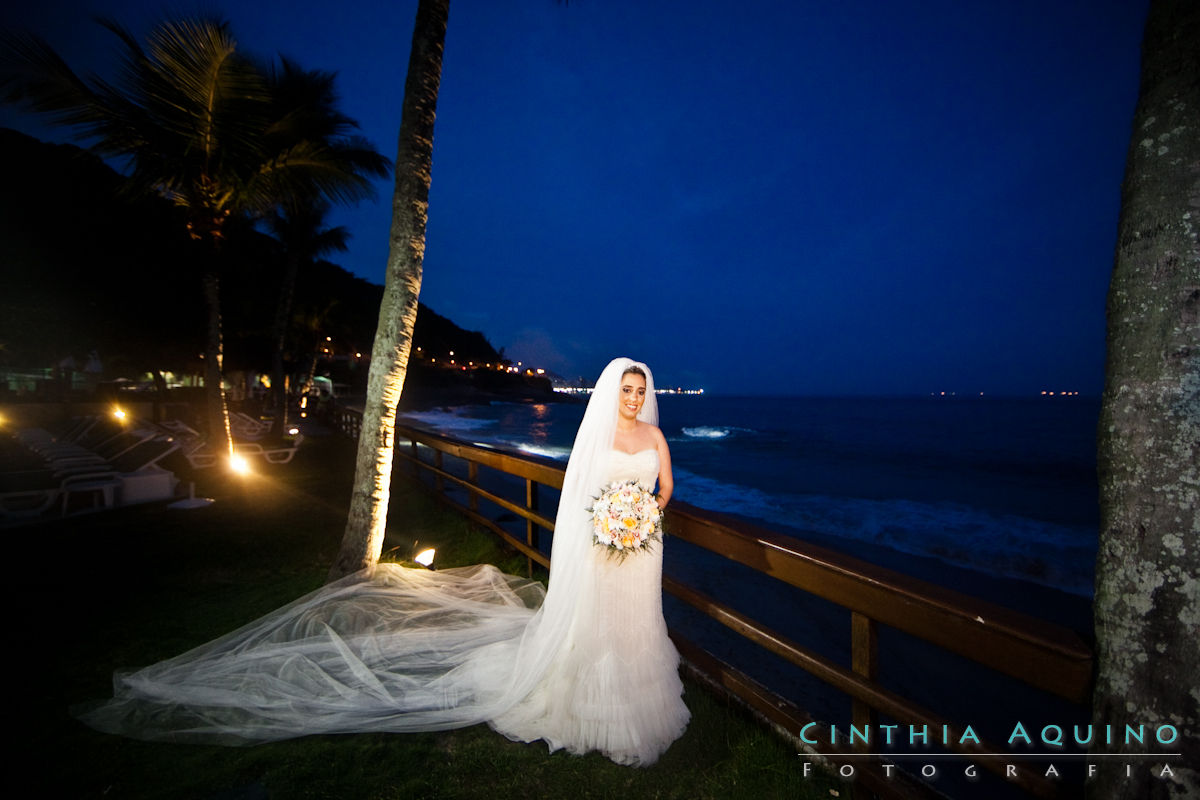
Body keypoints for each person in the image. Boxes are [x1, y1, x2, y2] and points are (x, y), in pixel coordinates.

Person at [80, 357, 689, 767]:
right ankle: (589, 702)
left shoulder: (656, 439)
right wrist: (607, 521)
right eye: (627, 391)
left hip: (640, 549)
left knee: (634, 624)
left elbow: (664, 489)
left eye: (640, 391)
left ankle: (636, 700)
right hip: (600, 543)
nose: (634, 399)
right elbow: (582, 494)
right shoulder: (597, 435)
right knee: (596, 623)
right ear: (615, 392)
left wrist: (641, 518)